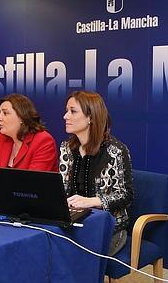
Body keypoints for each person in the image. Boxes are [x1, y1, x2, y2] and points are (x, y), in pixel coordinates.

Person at [59, 91, 133, 256]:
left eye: (73, 111)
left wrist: (91, 201)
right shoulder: (66, 148)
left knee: (72, 258)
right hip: (73, 221)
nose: (65, 116)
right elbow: (62, 189)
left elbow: (125, 195)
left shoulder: (115, 150)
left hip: (108, 228)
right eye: (66, 110)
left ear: (90, 117)